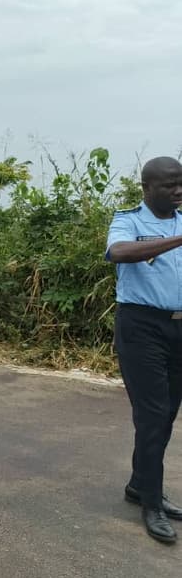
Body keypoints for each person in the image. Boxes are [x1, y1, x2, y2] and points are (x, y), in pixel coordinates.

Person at [106, 156, 182, 543]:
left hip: (179, 327)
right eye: (170, 185)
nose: (179, 190)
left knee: (166, 414)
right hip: (141, 327)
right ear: (147, 188)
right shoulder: (129, 221)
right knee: (152, 415)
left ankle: (139, 484)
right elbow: (119, 252)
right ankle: (152, 503)